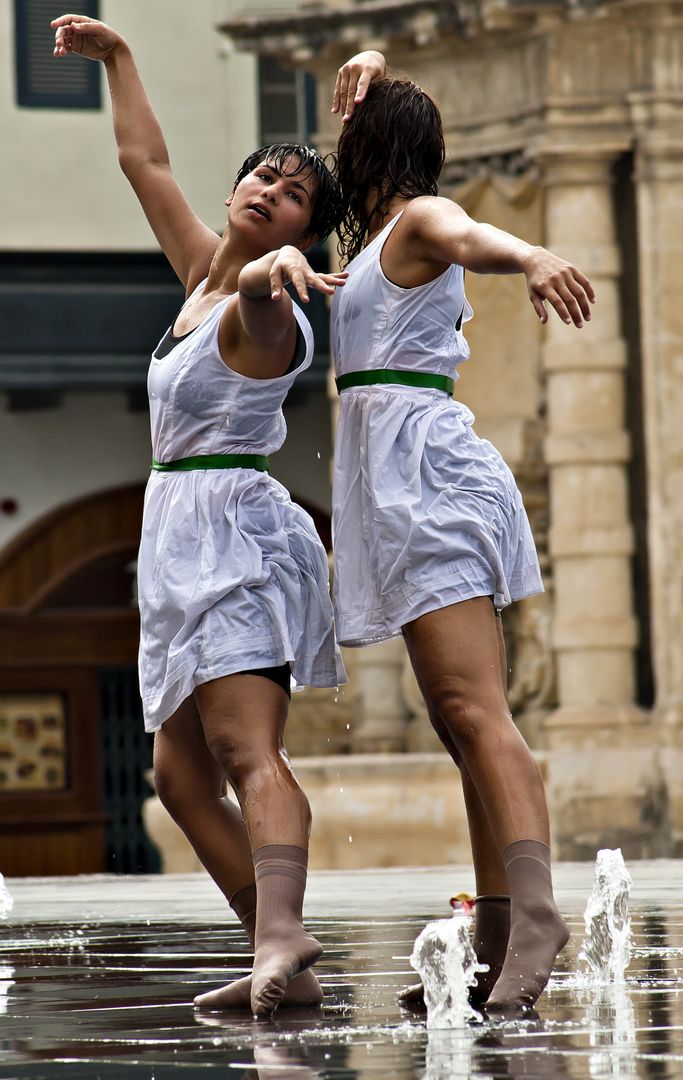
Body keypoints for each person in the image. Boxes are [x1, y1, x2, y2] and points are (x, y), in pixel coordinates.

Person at [52, 14, 348, 1017]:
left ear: (306, 234)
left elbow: (266, 296)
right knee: (178, 777)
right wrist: (119, 58)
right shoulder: (198, 274)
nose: (272, 190)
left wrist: (276, 277)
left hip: (235, 538)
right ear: (235, 191)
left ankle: (283, 931)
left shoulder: (264, 304)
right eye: (264, 176)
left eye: (295, 194)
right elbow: (144, 159)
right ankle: (282, 961)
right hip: (172, 538)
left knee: (243, 749)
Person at [330, 54, 596, 1015]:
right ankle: (493, 934)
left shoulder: (418, 222)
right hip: (390, 483)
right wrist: (369, 64)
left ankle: (535, 917)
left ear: (375, 151)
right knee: (452, 714)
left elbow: (467, 229)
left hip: (426, 480)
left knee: (475, 709)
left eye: (349, 140)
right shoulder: (365, 250)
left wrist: (530, 256)